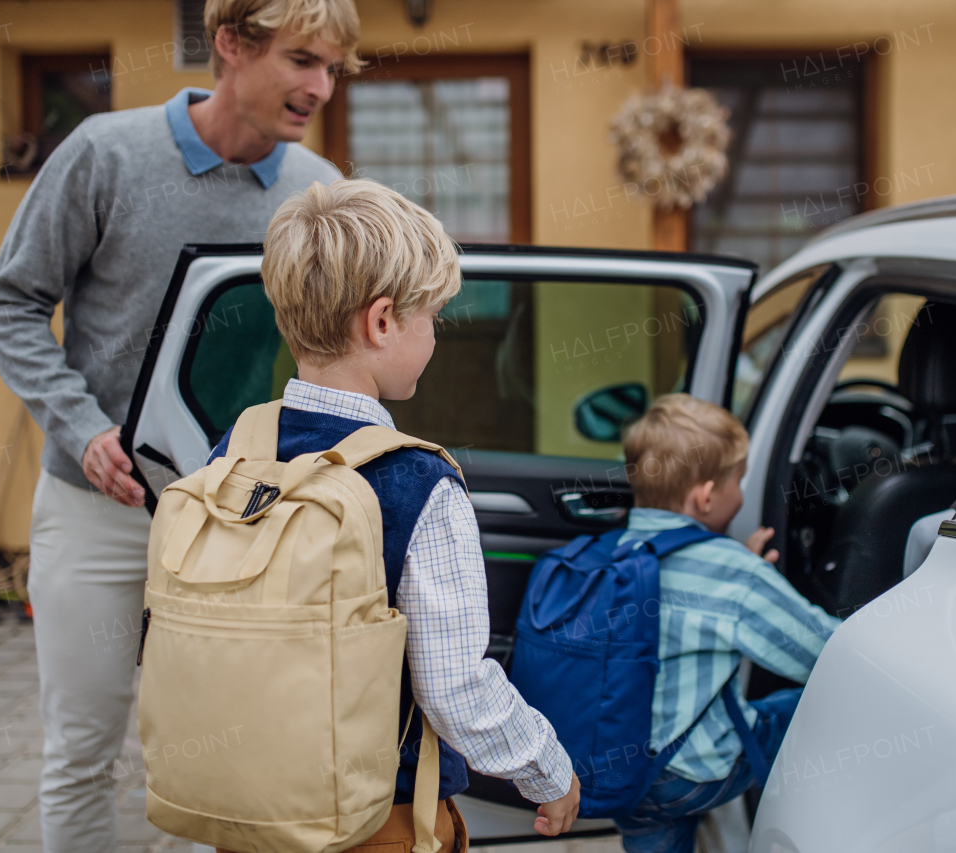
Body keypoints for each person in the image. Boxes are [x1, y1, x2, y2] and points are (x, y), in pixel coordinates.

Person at [0, 0, 359, 848]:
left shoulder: (316, 189)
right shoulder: (104, 154)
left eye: (333, 67)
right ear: (230, 44)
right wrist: (82, 428)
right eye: (302, 59)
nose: (320, 86)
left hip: (237, 511)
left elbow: (329, 345)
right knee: (82, 748)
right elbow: (10, 304)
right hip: (97, 506)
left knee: (213, 749)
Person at [206, 179, 581, 853]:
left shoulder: (236, 450)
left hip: (247, 802)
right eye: (432, 315)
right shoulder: (416, 483)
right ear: (382, 322)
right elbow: (453, 688)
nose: (435, 334)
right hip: (374, 819)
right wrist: (546, 767)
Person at [613, 394, 842, 853]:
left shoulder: (612, 553)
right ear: (706, 496)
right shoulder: (732, 573)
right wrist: (749, 576)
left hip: (616, 768)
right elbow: (823, 655)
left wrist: (741, 571)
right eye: (740, 479)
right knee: (816, 704)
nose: (742, 491)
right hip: (691, 775)